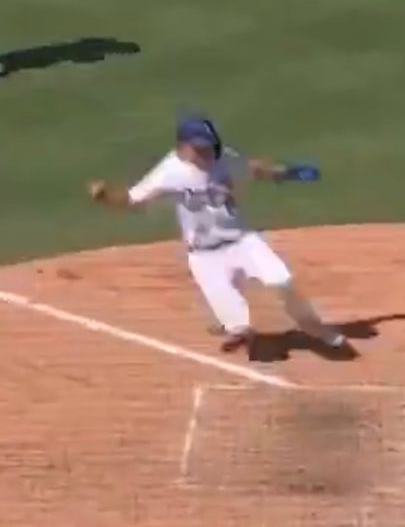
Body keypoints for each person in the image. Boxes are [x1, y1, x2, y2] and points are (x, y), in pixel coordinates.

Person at [88, 115, 349, 356]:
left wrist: (287, 172)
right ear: (183, 147)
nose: (208, 153)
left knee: (281, 280)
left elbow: (253, 168)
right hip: (205, 255)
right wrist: (105, 196)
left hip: (242, 240)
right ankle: (238, 330)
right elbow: (132, 199)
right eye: (200, 148)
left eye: (210, 146)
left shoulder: (223, 156)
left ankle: (315, 329)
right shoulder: (169, 171)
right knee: (239, 326)